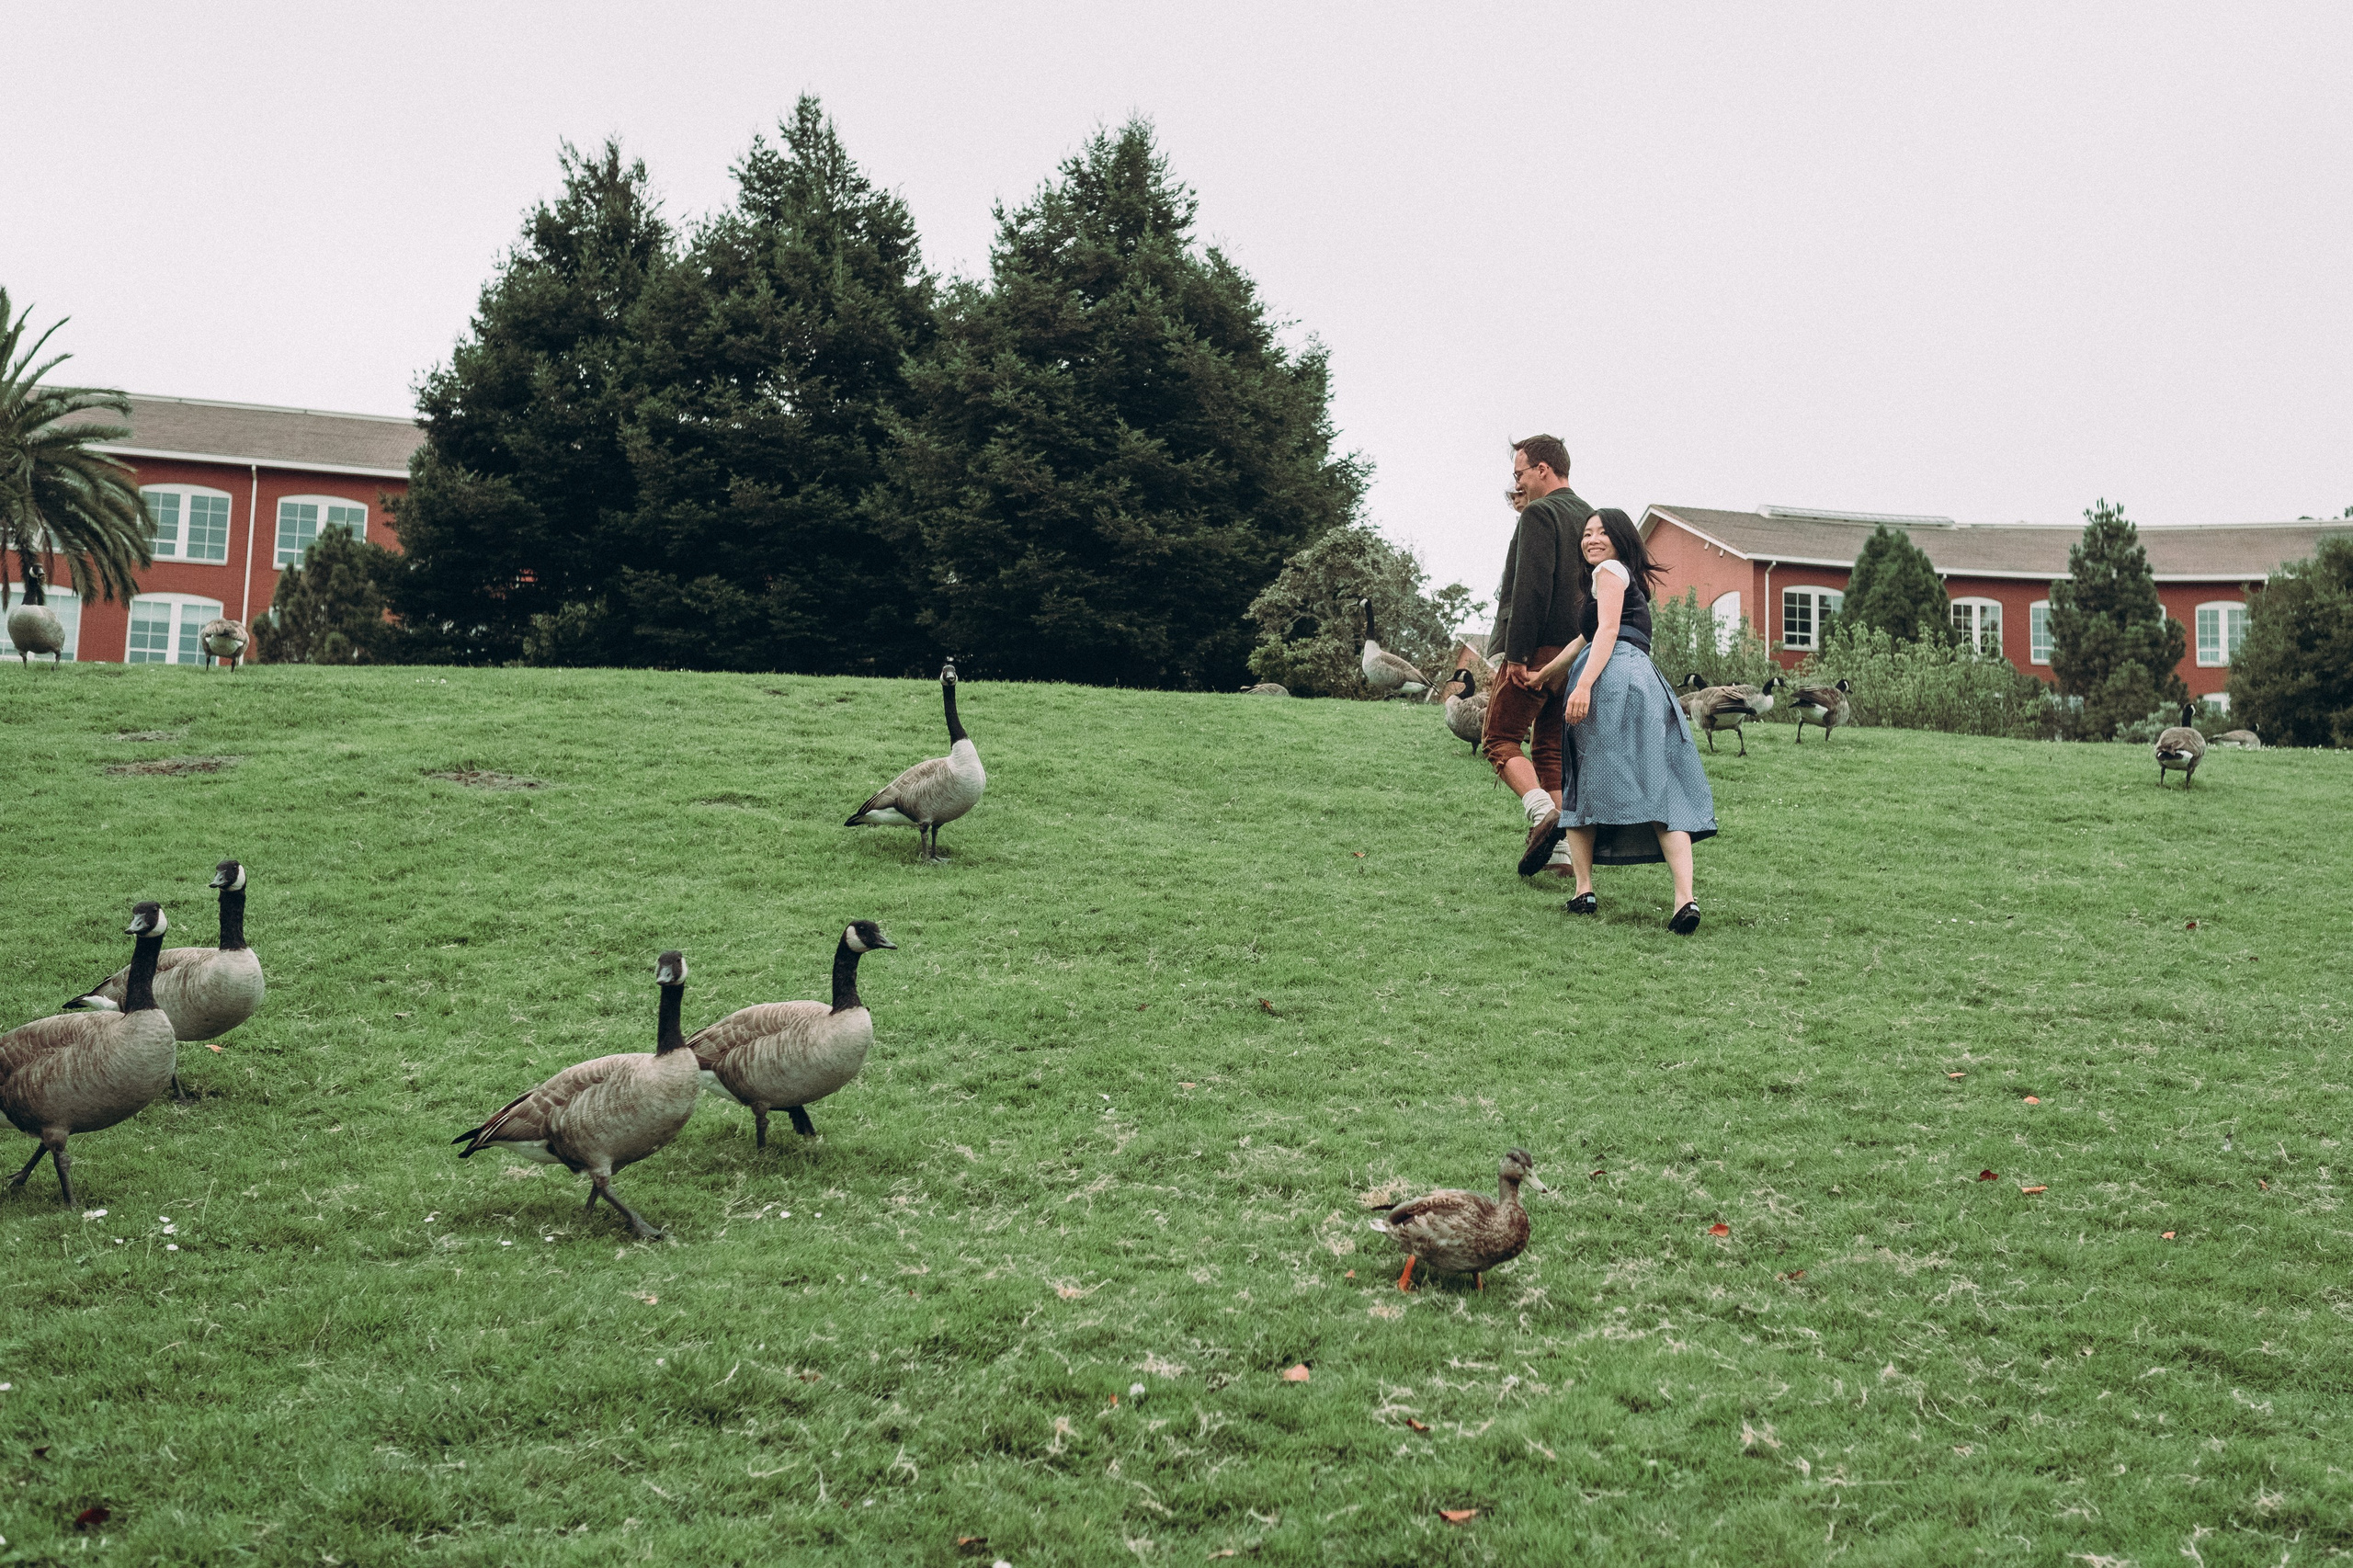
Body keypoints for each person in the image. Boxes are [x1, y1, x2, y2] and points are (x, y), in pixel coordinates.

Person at [1533, 507, 1718, 933]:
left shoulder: (1610, 571)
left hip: (1610, 678)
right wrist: (1544, 675)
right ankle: (1684, 900)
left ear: (1619, 540)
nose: (1591, 539)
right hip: (1643, 681)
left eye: (1601, 532)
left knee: (1582, 780)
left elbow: (1607, 631)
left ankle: (1583, 889)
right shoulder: (1614, 580)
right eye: (1586, 533)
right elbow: (1584, 637)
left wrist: (1581, 687)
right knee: (1661, 787)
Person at [1481, 435, 1593, 877]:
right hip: (1578, 656)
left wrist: (1518, 655)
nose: (1518, 482)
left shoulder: (1540, 514)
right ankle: (1562, 858)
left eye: (1519, 473)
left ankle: (1542, 812)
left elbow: (1531, 587)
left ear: (1543, 469)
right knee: (1549, 751)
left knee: (1499, 738)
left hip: (1538, 650)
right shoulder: (1592, 517)